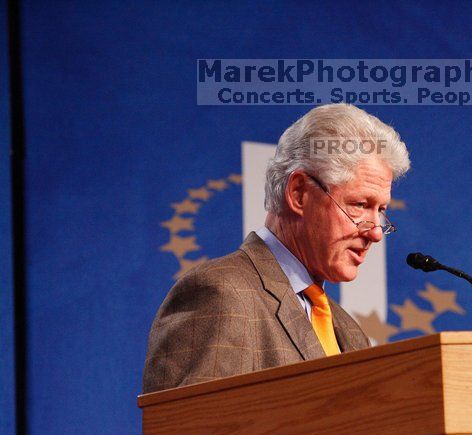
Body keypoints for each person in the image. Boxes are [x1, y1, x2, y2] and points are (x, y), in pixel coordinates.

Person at [142, 104, 410, 393]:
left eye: (381, 210)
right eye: (359, 205)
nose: (375, 233)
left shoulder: (348, 330)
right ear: (298, 193)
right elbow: (189, 434)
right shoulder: (223, 295)